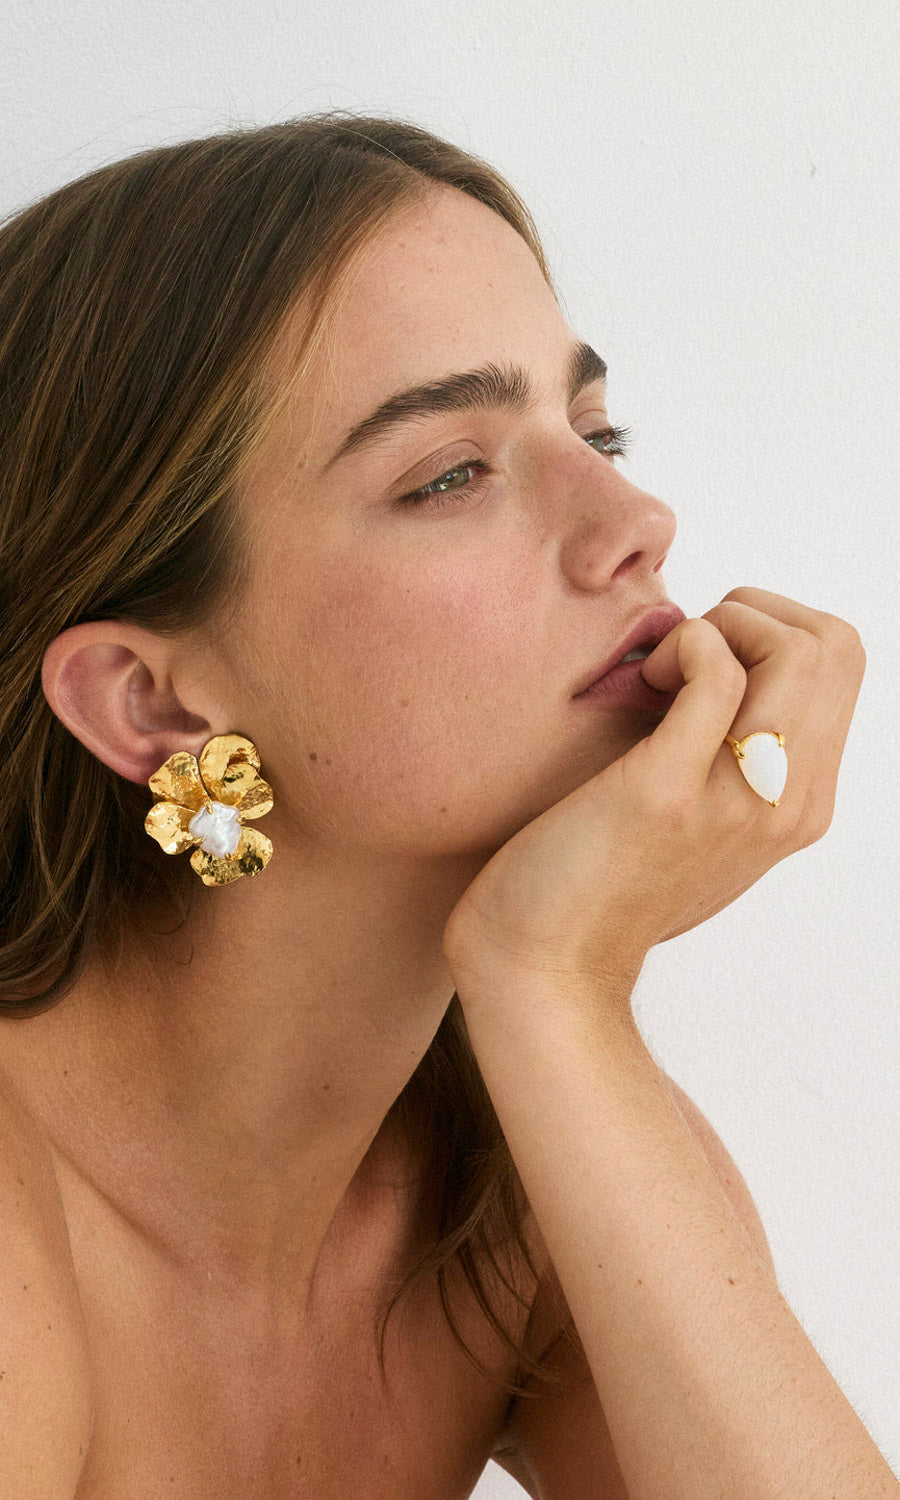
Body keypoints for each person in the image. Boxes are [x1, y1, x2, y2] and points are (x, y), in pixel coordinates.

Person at [1, 114, 893, 1498]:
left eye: (595, 428)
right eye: (451, 475)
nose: (637, 520)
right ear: (152, 705)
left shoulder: (527, 1158)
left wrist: (553, 981)